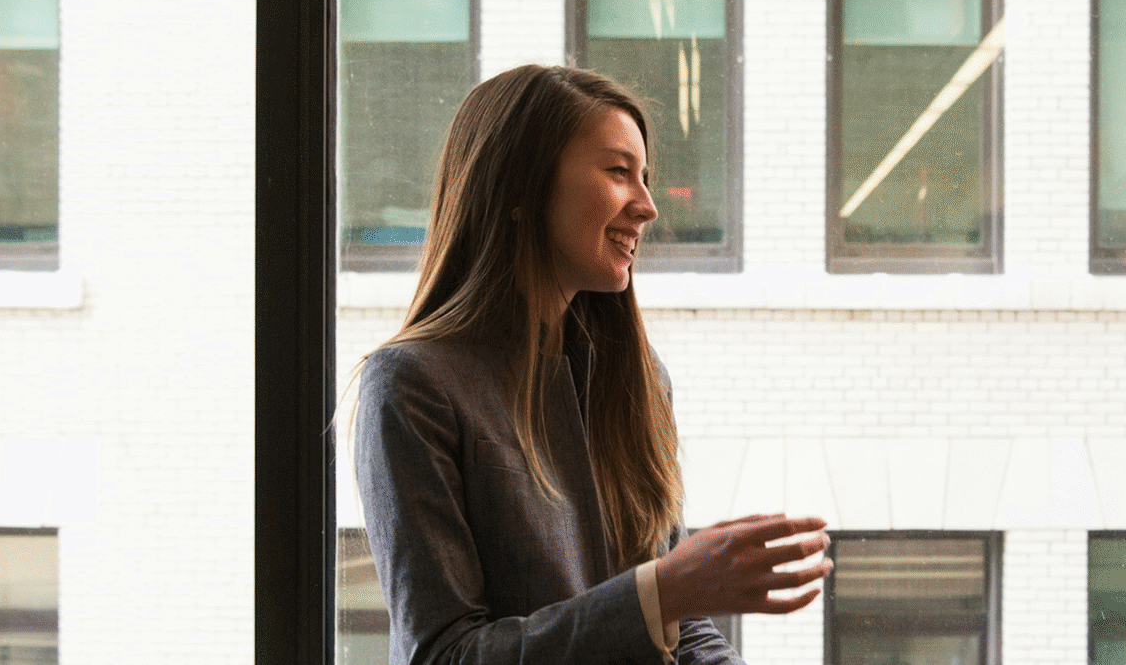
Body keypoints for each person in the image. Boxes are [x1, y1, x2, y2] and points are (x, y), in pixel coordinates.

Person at [352, 65, 832, 665]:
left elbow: (685, 633)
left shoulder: (637, 379)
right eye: (618, 172)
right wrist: (662, 592)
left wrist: (670, 598)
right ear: (520, 185)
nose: (648, 207)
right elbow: (445, 654)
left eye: (645, 177)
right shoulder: (411, 387)